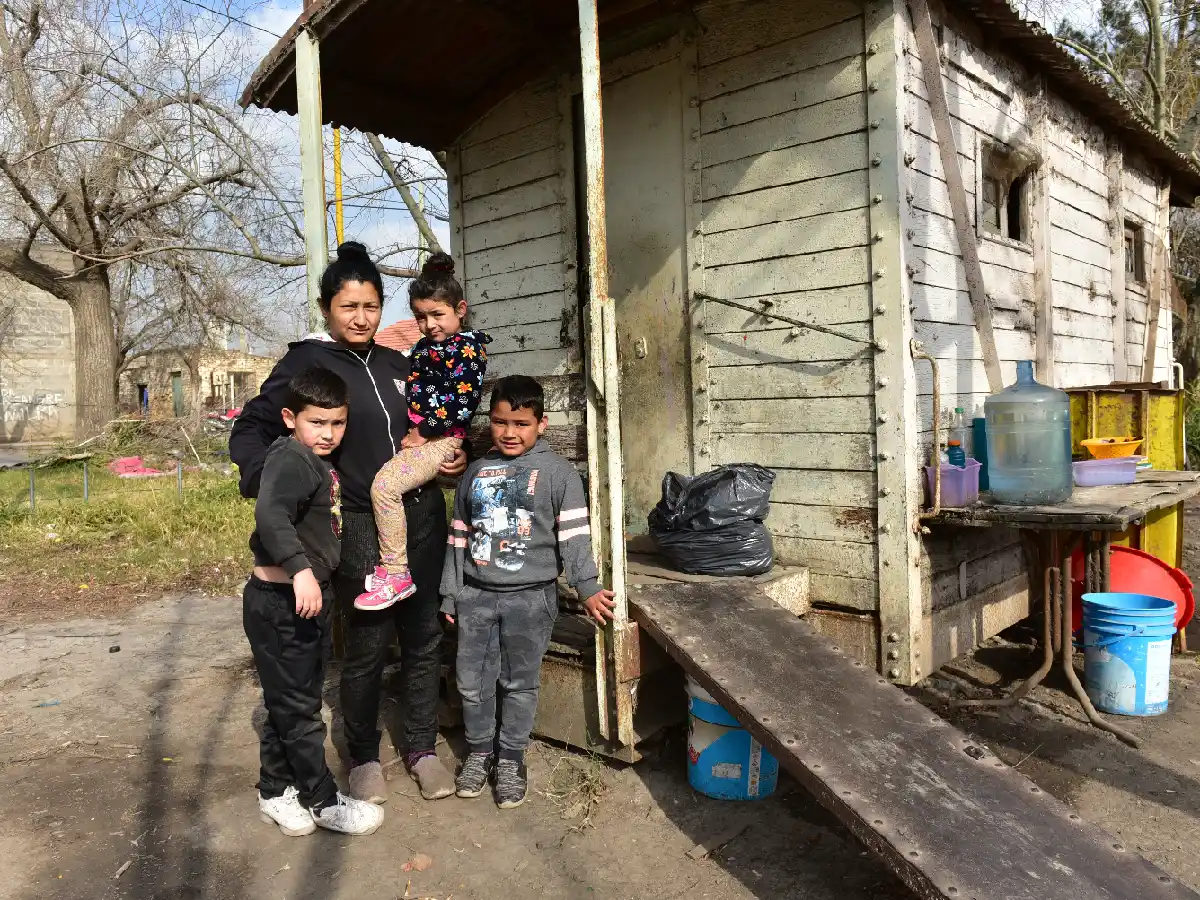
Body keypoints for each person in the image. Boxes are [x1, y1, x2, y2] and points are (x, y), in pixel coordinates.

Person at [231, 241, 467, 805]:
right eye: (348, 307)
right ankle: (363, 754)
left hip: (423, 518)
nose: (362, 318)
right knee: (366, 644)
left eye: (372, 306)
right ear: (326, 309)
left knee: (423, 635)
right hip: (359, 522)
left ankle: (421, 746)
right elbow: (254, 427)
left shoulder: (400, 363)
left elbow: (436, 426)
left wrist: (451, 458)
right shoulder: (307, 366)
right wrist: (274, 482)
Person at [440, 375, 617, 809]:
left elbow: (574, 535)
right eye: (500, 422)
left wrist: (588, 586)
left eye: (520, 423)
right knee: (472, 682)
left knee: (519, 682)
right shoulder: (477, 472)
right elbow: (458, 535)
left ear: (542, 423)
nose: (509, 432)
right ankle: (480, 753)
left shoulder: (559, 475)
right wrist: (451, 592)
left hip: (531, 598)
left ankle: (511, 758)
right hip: (476, 597)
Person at [244, 366, 384, 836]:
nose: (328, 433)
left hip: (301, 600)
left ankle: (274, 790)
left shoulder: (313, 461)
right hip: (282, 600)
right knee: (300, 709)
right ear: (290, 417)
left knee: (291, 700)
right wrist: (302, 571)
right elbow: (270, 514)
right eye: (317, 422)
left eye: (337, 423)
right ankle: (322, 800)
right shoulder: (290, 458)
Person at [356, 253, 491, 610]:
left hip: (440, 439)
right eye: (421, 316)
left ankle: (396, 572)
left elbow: (462, 404)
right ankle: (394, 566)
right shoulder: (424, 349)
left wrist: (425, 433)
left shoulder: (468, 350)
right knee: (388, 487)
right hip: (423, 438)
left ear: (460, 309)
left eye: (437, 314)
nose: (429, 324)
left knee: (384, 488)